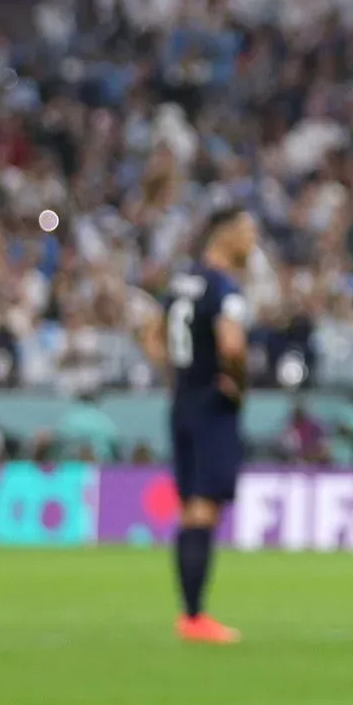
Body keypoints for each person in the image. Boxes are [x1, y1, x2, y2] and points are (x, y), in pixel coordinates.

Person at [140, 207, 255, 644]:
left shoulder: (182, 282)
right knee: (204, 507)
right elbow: (232, 343)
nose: (252, 242)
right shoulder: (226, 288)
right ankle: (194, 616)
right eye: (247, 233)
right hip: (212, 403)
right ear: (225, 236)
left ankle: (190, 614)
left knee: (191, 507)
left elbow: (151, 333)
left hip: (182, 401)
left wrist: (174, 373)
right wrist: (238, 383)